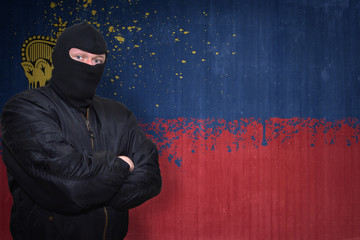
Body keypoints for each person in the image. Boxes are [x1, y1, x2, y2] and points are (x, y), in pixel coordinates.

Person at [1, 22, 162, 240]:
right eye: (79, 57)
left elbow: (150, 177)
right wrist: (122, 165)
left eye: (97, 61)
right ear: (58, 58)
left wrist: (96, 190)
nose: (89, 65)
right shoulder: (25, 109)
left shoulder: (119, 114)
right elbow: (67, 188)